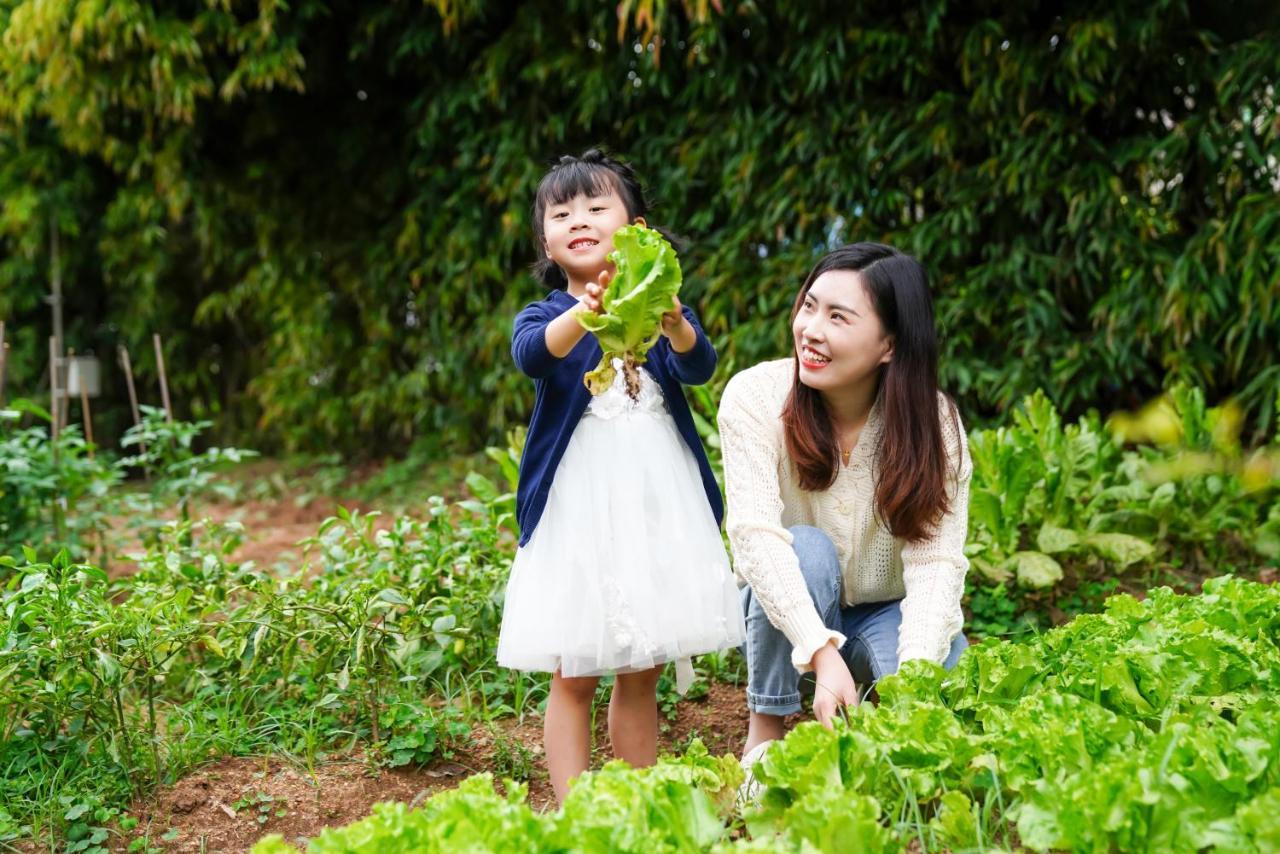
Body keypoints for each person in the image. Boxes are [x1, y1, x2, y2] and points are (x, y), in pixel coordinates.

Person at [496, 149, 745, 803]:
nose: (579, 218)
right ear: (546, 238)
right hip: (580, 507)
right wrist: (586, 310)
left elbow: (699, 368)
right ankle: (578, 809)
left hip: (655, 501)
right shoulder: (544, 313)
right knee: (572, 668)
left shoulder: (655, 304)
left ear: (633, 224)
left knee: (642, 665)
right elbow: (532, 355)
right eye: (562, 211)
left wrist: (676, 328)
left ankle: (636, 800)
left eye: (597, 206)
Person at [717, 242, 972, 775]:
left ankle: (875, 721)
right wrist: (820, 651)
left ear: (889, 346)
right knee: (803, 548)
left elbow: (936, 562)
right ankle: (767, 723)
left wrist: (915, 678)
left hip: (887, 610)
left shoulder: (935, 423)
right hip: (786, 616)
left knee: (939, 686)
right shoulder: (756, 397)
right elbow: (755, 538)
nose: (811, 329)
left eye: (838, 317)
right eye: (809, 306)